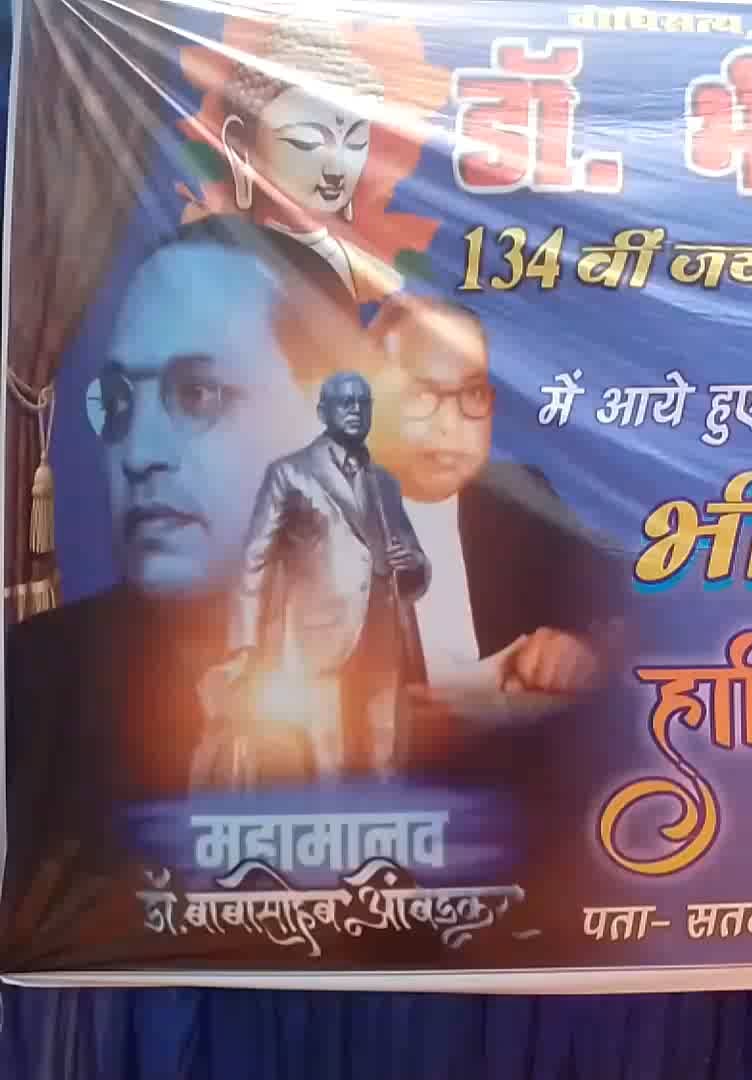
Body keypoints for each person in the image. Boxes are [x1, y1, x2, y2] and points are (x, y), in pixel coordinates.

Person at [1, 216, 364, 959]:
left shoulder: (462, 666)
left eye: (198, 394)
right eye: (118, 403)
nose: (138, 452)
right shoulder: (25, 691)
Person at [361, 295, 620, 736]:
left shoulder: (521, 499)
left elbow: (626, 611)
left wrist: (582, 651)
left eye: (472, 394)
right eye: (420, 394)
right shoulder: (320, 517)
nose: (450, 425)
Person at [198, 372, 430, 786]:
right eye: (345, 402)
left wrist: (411, 562)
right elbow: (255, 560)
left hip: (382, 640)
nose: (355, 409)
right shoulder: (290, 473)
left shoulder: (384, 484)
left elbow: (416, 560)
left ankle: (383, 827)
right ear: (323, 412)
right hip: (316, 641)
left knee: (386, 760)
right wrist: (245, 644)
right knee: (329, 766)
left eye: (363, 402)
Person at [216, 18, 400, 302]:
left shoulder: (374, 281)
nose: (337, 169)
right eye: (309, 142)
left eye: (354, 143)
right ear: (240, 145)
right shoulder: (215, 259)